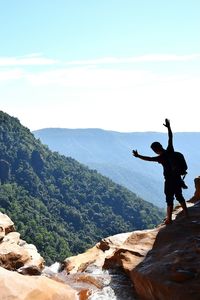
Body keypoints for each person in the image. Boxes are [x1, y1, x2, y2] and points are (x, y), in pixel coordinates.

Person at [132, 119, 189, 225]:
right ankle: (186, 214)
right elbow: (170, 137)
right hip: (177, 179)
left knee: (169, 199)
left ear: (155, 150)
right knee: (179, 196)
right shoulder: (170, 150)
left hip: (169, 181)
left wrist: (138, 156)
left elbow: (148, 158)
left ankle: (169, 219)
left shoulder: (160, 158)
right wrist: (169, 127)